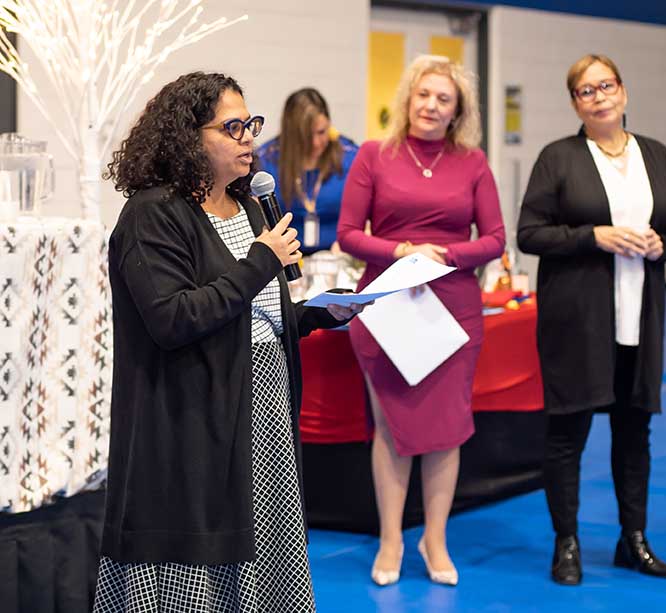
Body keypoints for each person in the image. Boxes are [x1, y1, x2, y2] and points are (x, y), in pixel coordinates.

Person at [92, 72, 363, 613]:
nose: (248, 138)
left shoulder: (249, 206)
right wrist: (261, 260)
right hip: (192, 425)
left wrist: (315, 314)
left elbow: (251, 313)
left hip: (263, 420)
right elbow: (174, 318)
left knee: (263, 563)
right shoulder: (154, 213)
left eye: (250, 124)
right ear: (187, 138)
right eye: (232, 127)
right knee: (200, 575)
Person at [516, 54, 666, 586]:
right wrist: (592, 236)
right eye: (586, 90)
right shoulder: (558, 158)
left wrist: (663, 245)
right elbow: (529, 234)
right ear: (575, 103)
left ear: (623, 91)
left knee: (634, 431)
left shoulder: (655, 154)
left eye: (606, 86)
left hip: (640, 318)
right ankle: (566, 543)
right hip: (578, 321)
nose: (598, 97)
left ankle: (633, 539)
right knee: (567, 432)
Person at [337, 54, 505, 587]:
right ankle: (391, 538)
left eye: (443, 99)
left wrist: (446, 255)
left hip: (453, 312)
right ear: (408, 98)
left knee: (447, 432)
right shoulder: (373, 155)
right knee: (390, 427)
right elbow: (348, 234)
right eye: (424, 94)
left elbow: (496, 239)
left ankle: (435, 538)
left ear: (457, 112)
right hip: (387, 306)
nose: (431, 105)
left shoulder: (473, 162)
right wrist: (403, 250)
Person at [256, 87, 358, 254]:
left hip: (338, 256)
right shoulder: (266, 161)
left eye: (321, 132)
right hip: (285, 258)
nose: (316, 143)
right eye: (305, 136)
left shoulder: (350, 157)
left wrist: (351, 241)